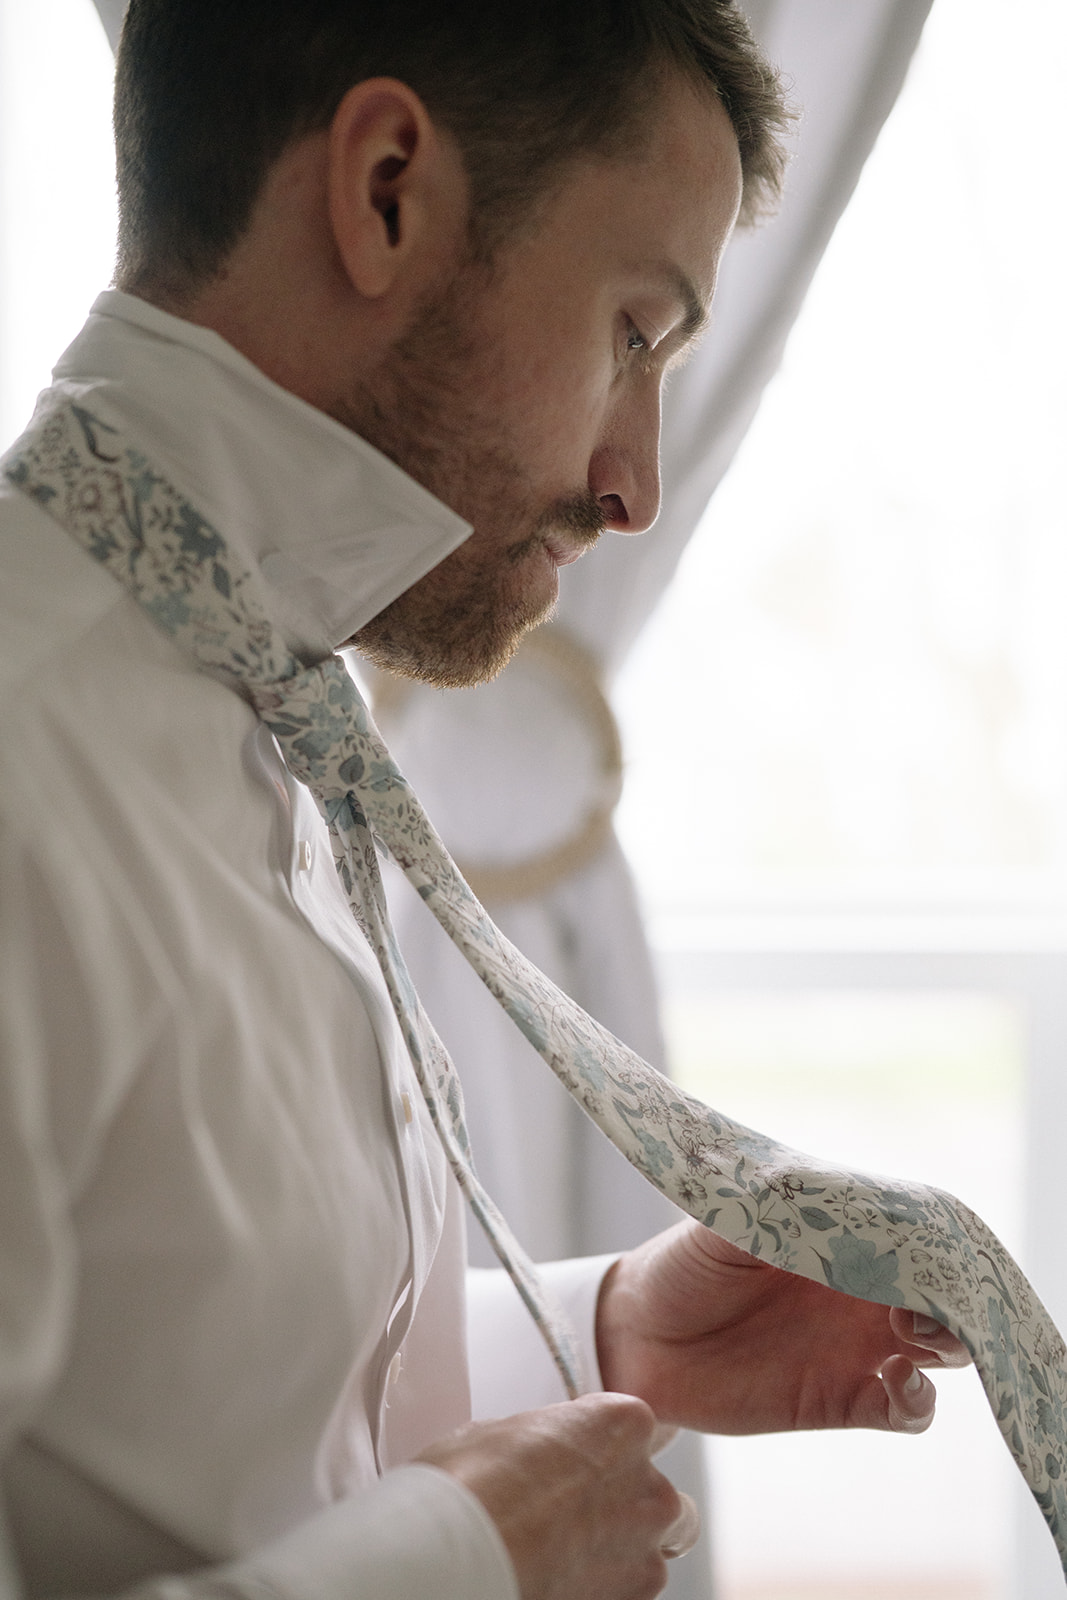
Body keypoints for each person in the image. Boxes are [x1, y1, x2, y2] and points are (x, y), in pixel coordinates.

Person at [0, 3, 969, 1597]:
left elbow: (177, 1389)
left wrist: (600, 1335)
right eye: (635, 333)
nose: (634, 487)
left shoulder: (274, 713)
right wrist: (459, 1559)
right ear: (386, 189)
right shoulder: (30, 752)